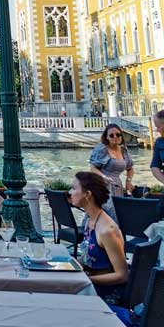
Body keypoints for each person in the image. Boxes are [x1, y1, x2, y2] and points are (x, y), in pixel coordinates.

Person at [71, 171, 128, 304]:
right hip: (90, 286)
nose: (70, 192)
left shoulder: (107, 230)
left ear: (88, 194)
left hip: (105, 295)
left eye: (74, 188)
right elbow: (87, 258)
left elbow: (122, 275)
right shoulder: (91, 221)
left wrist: (87, 279)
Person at [90, 124, 134, 198]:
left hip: (117, 185)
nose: (115, 137)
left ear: (121, 136)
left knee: (118, 206)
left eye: (118, 134)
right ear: (107, 137)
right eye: (111, 135)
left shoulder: (124, 150)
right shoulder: (102, 149)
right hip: (102, 184)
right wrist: (104, 177)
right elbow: (92, 168)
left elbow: (130, 169)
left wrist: (128, 181)